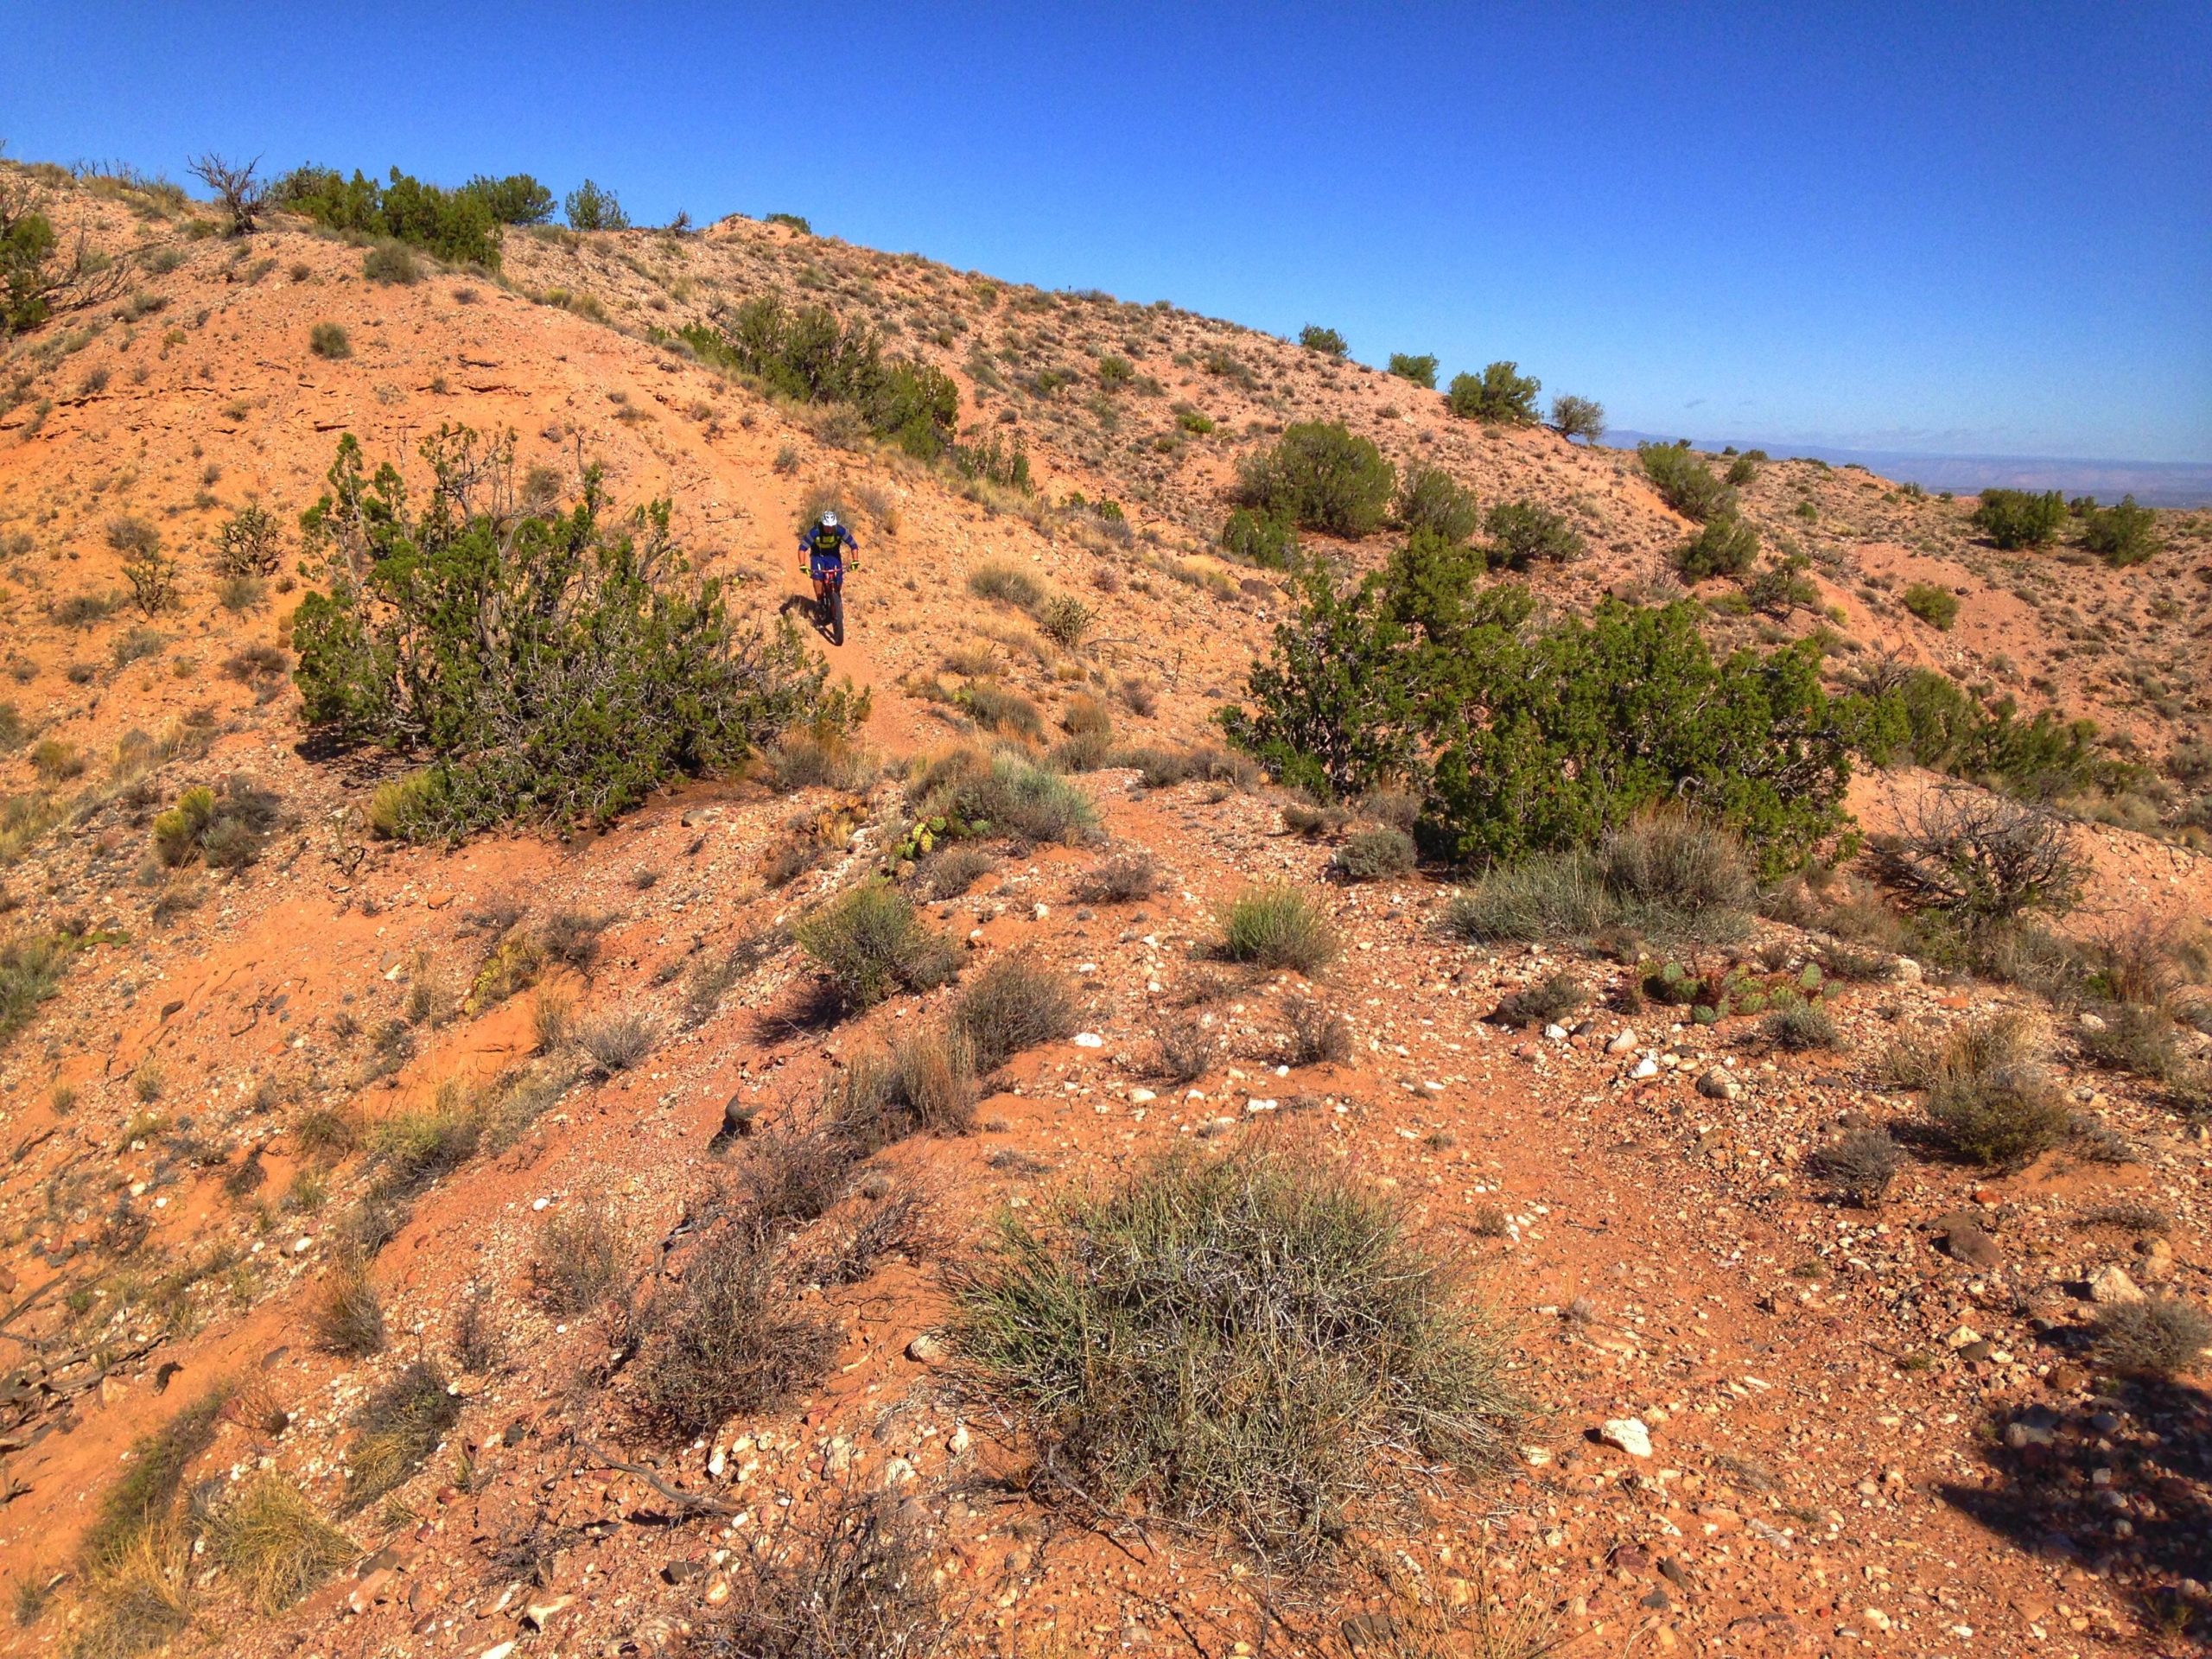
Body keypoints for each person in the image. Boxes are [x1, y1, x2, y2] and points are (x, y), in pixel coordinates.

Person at [798, 511, 859, 618]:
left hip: (833, 556)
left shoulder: (840, 530)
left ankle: (835, 597)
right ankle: (820, 601)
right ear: (822, 524)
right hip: (818, 556)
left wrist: (855, 560)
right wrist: (802, 564)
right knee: (817, 576)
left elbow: (853, 545)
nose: (829, 529)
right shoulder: (815, 532)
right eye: (827, 526)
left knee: (838, 577)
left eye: (832, 526)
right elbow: (802, 548)